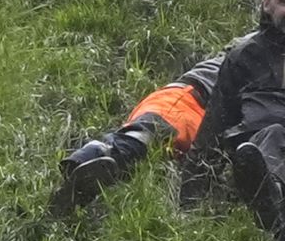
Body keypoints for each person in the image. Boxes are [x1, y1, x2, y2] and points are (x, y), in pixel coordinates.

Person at [179, 0, 285, 241]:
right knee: (268, 140)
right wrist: (191, 198)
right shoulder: (244, 56)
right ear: (267, 4)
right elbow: (214, 123)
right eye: (284, 2)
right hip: (260, 143)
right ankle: (270, 198)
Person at [50, 49, 224, 213]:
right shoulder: (245, 54)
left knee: (154, 152)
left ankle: (80, 180)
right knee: (151, 134)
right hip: (187, 100)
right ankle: (96, 157)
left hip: (193, 107)